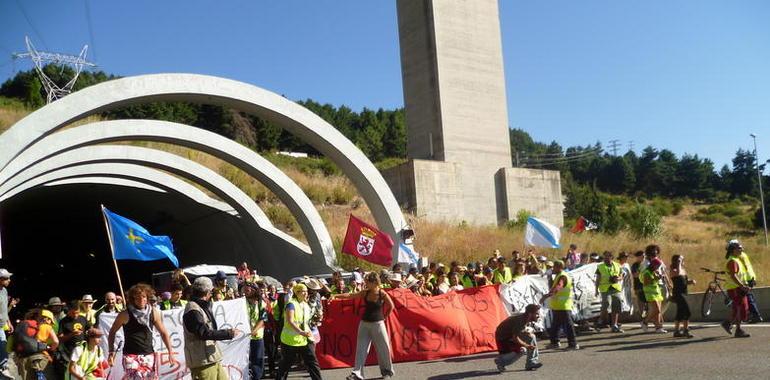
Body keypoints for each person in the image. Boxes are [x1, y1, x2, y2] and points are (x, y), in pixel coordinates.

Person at [107, 283, 178, 379]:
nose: (141, 300)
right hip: (130, 355)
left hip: (148, 354)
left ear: (147, 297)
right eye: (137, 297)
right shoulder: (125, 315)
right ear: (133, 299)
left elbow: (163, 332)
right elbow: (112, 332)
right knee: (137, 377)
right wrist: (111, 352)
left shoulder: (153, 312)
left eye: (144, 297)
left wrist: (170, 352)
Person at [332, 272, 394, 380]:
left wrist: (384, 317)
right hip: (364, 324)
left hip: (378, 324)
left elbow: (391, 306)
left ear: (374, 282)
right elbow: (350, 295)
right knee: (361, 349)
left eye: (367, 282)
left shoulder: (382, 293)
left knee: (383, 348)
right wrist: (335, 296)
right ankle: (357, 373)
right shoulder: (365, 293)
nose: (365, 284)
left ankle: (387, 372)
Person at [183, 277, 239, 379]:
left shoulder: (201, 306)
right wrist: (228, 333)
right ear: (207, 292)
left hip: (212, 359)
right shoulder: (193, 309)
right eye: (211, 291)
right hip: (202, 362)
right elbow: (204, 333)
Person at [276, 283, 323, 380]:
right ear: (297, 293)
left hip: (305, 339)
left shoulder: (305, 304)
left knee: (313, 363)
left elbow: (306, 322)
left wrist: (317, 318)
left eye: (306, 291)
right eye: (303, 291)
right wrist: (301, 332)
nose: (306, 293)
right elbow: (290, 321)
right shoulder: (291, 304)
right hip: (290, 341)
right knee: (285, 365)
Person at [540, 261, 579, 350]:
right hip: (558, 305)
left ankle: (573, 344)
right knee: (555, 325)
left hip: (563, 305)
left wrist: (546, 296)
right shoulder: (559, 275)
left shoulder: (563, 276)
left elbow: (559, 286)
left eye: (554, 267)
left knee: (568, 325)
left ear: (559, 267)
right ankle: (554, 342)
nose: (553, 269)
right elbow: (554, 286)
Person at [493, 304, 543, 372]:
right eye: (536, 314)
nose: (538, 316)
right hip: (504, 340)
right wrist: (527, 345)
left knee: (531, 336)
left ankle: (531, 363)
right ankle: (501, 361)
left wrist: (527, 332)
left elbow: (521, 331)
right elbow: (515, 338)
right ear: (530, 314)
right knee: (522, 350)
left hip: (509, 336)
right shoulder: (520, 321)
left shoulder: (525, 318)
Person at [14, 309, 59, 380]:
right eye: (51, 321)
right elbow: (56, 341)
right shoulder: (47, 327)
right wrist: (51, 348)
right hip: (40, 356)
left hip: (23, 358)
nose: (51, 323)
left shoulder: (27, 325)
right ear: (47, 319)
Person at [721, 241, 752, 338]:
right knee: (740, 308)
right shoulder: (732, 261)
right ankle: (737, 329)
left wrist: (746, 284)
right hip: (735, 288)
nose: (741, 249)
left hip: (738, 287)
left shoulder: (737, 259)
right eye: (739, 248)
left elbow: (740, 275)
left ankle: (729, 324)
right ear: (733, 250)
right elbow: (733, 275)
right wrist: (742, 285)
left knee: (740, 308)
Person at [57, 300, 91, 378]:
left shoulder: (82, 318)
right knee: (74, 374)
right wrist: (72, 334)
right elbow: (60, 339)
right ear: (68, 311)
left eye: (77, 313)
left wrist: (89, 333)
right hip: (70, 353)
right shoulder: (63, 322)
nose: (76, 315)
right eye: (73, 313)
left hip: (84, 352)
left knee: (85, 373)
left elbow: (90, 330)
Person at [731, 240, 762, 323]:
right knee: (748, 297)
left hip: (747, 278)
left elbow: (740, 269)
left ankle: (756, 315)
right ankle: (751, 315)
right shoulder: (743, 255)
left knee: (748, 297)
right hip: (751, 276)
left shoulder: (739, 256)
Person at [595, 251, 624, 332]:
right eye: (604, 257)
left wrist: (618, 278)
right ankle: (600, 322)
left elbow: (621, 276)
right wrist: (596, 290)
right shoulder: (600, 266)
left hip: (615, 287)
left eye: (607, 257)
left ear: (611, 257)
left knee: (616, 305)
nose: (605, 258)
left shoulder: (617, 265)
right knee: (606, 306)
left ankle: (614, 325)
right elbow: (598, 279)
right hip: (605, 288)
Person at [244, 282, 267, 379]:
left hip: (257, 336)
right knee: (245, 360)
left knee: (257, 360)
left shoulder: (262, 302)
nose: (245, 292)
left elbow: (263, 319)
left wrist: (254, 330)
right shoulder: (242, 302)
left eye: (248, 290)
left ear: (254, 290)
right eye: (244, 290)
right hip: (244, 337)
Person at [670, 255, 695, 338]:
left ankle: (676, 331)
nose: (682, 261)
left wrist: (691, 281)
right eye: (680, 260)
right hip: (678, 293)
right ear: (676, 261)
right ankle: (685, 330)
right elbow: (677, 274)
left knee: (680, 312)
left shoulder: (683, 270)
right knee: (687, 312)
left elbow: (684, 281)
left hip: (684, 293)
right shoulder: (673, 270)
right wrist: (679, 264)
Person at [641, 259, 666, 333]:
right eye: (657, 265)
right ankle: (645, 322)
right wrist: (656, 278)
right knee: (656, 310)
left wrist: (658, 276)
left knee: (658, 312)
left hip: (656, 292)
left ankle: (658, 328)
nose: (657, 267)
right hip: (650, 293)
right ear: (653, 265)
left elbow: (655, 280)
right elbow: (645, 283)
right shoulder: (647, 272)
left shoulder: (654, 271)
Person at [0, 268, 12, 378]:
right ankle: (3, 366)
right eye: (6, 278)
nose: (9, 280)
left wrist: (9, 322)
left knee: (3, 344)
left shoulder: (4, 291)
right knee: (2, 344)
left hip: (2, 324)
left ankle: (3, 366)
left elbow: (4, 309)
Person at [630, 251, 647, 318]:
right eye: (642, 256)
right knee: (640, 301)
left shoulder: (647, 264)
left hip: (647, 285)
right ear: (637, 257)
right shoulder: (635, 265)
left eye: (644, 256)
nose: (643, 257)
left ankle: (646, 314)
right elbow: (635, 275)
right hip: (638, 286)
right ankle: (641, 315)